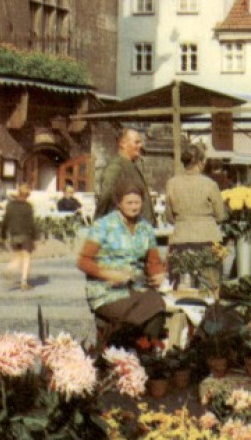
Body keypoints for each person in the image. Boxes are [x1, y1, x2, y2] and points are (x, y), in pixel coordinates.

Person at [78, 181, 168, 348]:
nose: (134, 207)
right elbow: (83, 261)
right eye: (129, 203)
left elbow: (153, 260)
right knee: (154, 306)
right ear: (118, 203)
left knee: (157, 306)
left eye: (138, 202)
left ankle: (141, 354)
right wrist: (108, 274)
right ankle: (132, 353)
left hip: (137, 289)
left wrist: (158, 273)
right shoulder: (103, 226)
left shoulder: (145, 228)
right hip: (107, 292)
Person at [166, 141, 228, 285]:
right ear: (201, 162)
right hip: (207, 239)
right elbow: (220, 215)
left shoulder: (172, 183)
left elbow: (169, 217)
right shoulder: (210, 184)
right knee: (210, 284)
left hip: (181, 239)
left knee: (182, 285)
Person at [95, 127, 152, 222]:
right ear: (123, 144)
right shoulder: (116, 167)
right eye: (136, 142)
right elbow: (105, 196)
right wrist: (97, 223)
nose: (140, 146)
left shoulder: (131, 165)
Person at [2, 183, 38, 291]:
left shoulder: (10, 205)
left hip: (14, 234)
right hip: (25, 234)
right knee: (26, 257)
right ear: (27, 195)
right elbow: (31, 223)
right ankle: (23, 282)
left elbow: (6, 220)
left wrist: (3, 233)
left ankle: (9, 268)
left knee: (18, 256)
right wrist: (34, 236)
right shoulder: (28, 206)